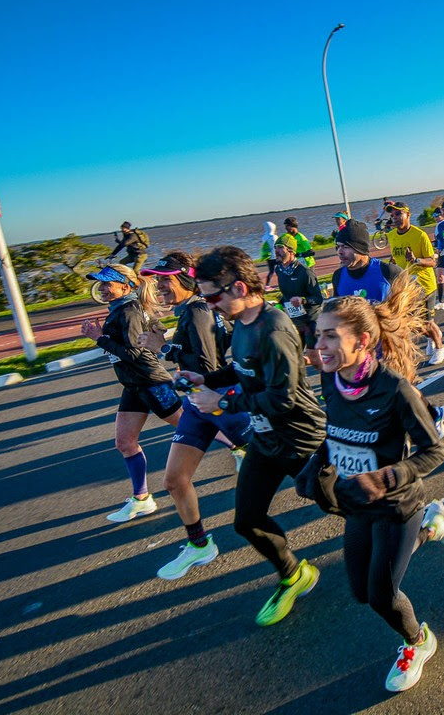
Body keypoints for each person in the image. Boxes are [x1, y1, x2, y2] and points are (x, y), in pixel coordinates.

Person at [299, 281, 444, 692]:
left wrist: (387, 477)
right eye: (319, 334)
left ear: (363, 340)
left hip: (396, 506)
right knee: (359, 590)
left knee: (382, 596)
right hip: (357, 505)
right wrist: (316, 466)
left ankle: (418, 642)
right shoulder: (331, 380)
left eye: (331, 335)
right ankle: (433, 526)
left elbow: (433, 451)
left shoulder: (394, 390)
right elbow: (337, 432)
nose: (321, 344)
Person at [183, 246, 327, 626]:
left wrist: (221, 403)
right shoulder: (242, 325)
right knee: (247, 519)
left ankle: (422, 519)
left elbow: (282, 399)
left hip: (301, 441)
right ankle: (295, 575)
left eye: (212, 295)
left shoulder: (276, 329)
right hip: (266, 442)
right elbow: (242, 370)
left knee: (349, 507)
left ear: (239, 287)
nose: (209, 304)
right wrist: (207, 379)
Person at [136, 252, 256, 581]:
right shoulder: (194, 309)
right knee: (174, 480)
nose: (160, 285)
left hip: (218, 403)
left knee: (297, 463)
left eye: (166, 279)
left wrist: (164, 348)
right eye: (158, 279)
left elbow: (205, 366)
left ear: (187, 281)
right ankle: (200, 544)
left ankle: (360, 498)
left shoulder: (198, 311)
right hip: (195, 405)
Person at [80, 263, 181, 523]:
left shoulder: (128, 311)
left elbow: (134, 354)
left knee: (193, 426)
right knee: (125, 442)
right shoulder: (120, 309)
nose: (101, 288)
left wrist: (100, 339)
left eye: (106, 283)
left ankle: (240, 445)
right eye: (100, 283)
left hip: (151, 382)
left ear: (125, 286)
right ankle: (142, 499)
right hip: (134, 386)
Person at [386, 201, 444, 365]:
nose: (395, 218)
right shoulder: (392, 236)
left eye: (399, 214)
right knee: (410, 323)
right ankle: (433, 336)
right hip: (406, 287)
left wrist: (416, 260)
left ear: (408, 215)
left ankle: (440, 349)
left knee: (425, 322)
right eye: (392, 215)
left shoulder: (420, 235)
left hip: (424, 285)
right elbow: (395, 258)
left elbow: (432, 261)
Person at [274, 233, 324, 365]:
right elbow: (287, 295)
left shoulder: (305, 272)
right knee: (292, 358)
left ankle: (329, 380)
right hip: (294, 321)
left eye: (280, 247)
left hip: (310, 321)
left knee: (315, 360)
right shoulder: (279, 270)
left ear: (291, 251)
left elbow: (318, 298)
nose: (276, 251)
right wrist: (278, 305)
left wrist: (303, 300)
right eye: (275, 248)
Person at [332, 219, 406, 303]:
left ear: (360, 249)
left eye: (345, 247)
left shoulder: (388, 272)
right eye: (338, 247)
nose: (339, 252)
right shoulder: (338, 277)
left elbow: (417, 298)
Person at [259, 222, 278, 289]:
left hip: (268, 256)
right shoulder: (274, 237)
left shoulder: (264, 237)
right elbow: (276, 246)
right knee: (281, 269)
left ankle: (267, 285)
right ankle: (282, 282)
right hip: (275, 256)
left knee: (271, 271)